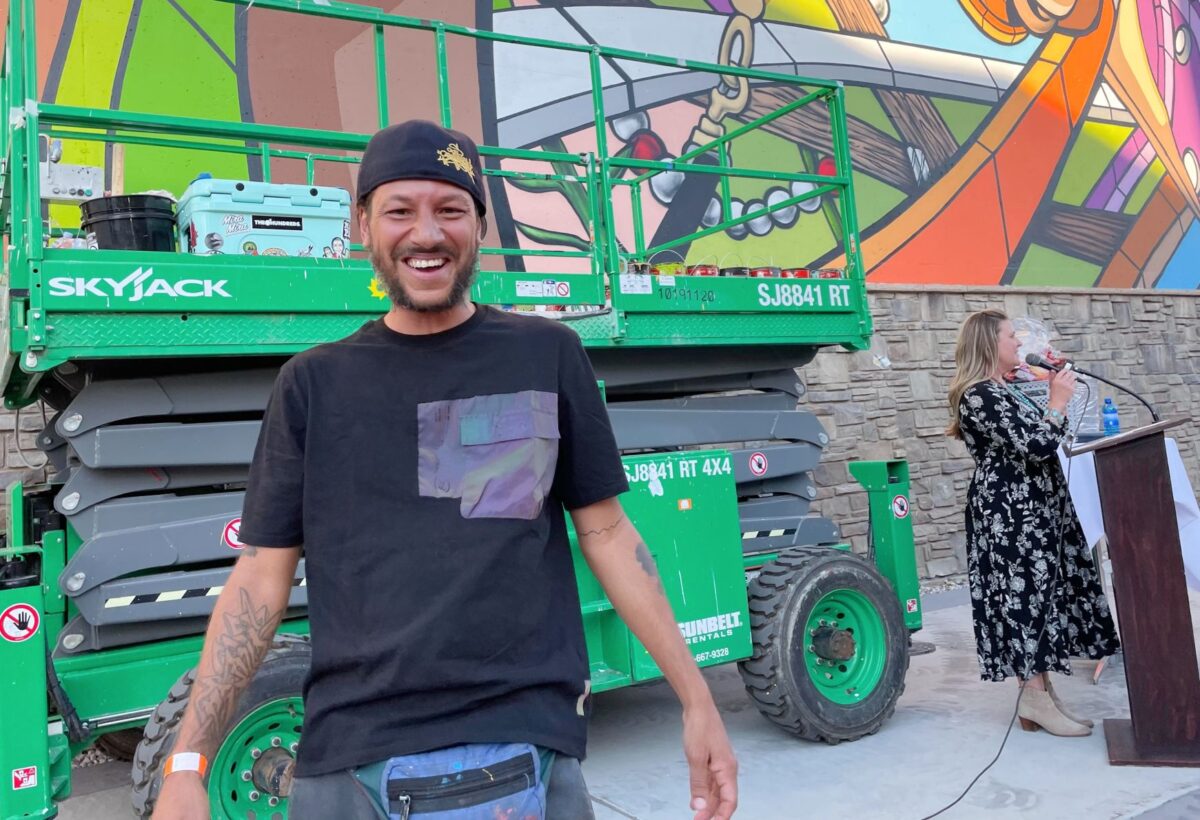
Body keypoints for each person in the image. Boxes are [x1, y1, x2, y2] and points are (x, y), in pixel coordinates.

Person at [152, 120, 737, 820]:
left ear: (480, 226)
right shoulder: (312, 385)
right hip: (350, 759)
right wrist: (188, 760)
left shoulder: (546, 355)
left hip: (518, 747)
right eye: (399, 210)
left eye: (450, 209)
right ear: (363, 225)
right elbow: (258, 578)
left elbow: (609, 534)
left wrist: (697, 700)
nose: (425, 233)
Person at [946, 309, 1119, 736]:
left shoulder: (1005, 389)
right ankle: (1033, 695)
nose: (1019, 343)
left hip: (1033, 508)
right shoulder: (978, 395)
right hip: (1009, 513)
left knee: (1041, 597)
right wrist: (1056, 402)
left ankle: (1040, 695)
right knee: (1023, 597)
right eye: (1011, 336)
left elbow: (1053, 433)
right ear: (989, 344)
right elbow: (1039, 444)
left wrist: (1055, 392)